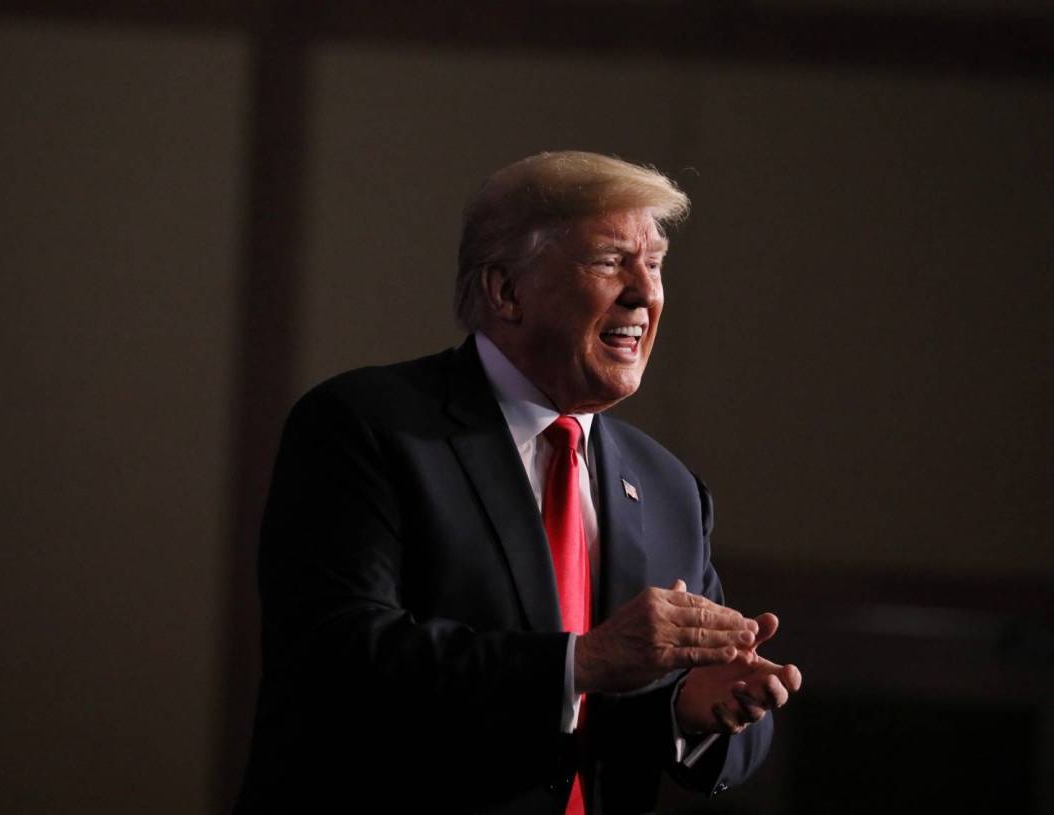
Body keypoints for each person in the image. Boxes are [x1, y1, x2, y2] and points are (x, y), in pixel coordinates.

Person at [236, 151, 801, 814]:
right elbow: (339, 661)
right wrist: (580, 662)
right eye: (611, 259)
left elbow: (678, 719)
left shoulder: (670, 488)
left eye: (654, 265)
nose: (645, 293)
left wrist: (695, 713)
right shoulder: (367, 427)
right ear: (506, 291)